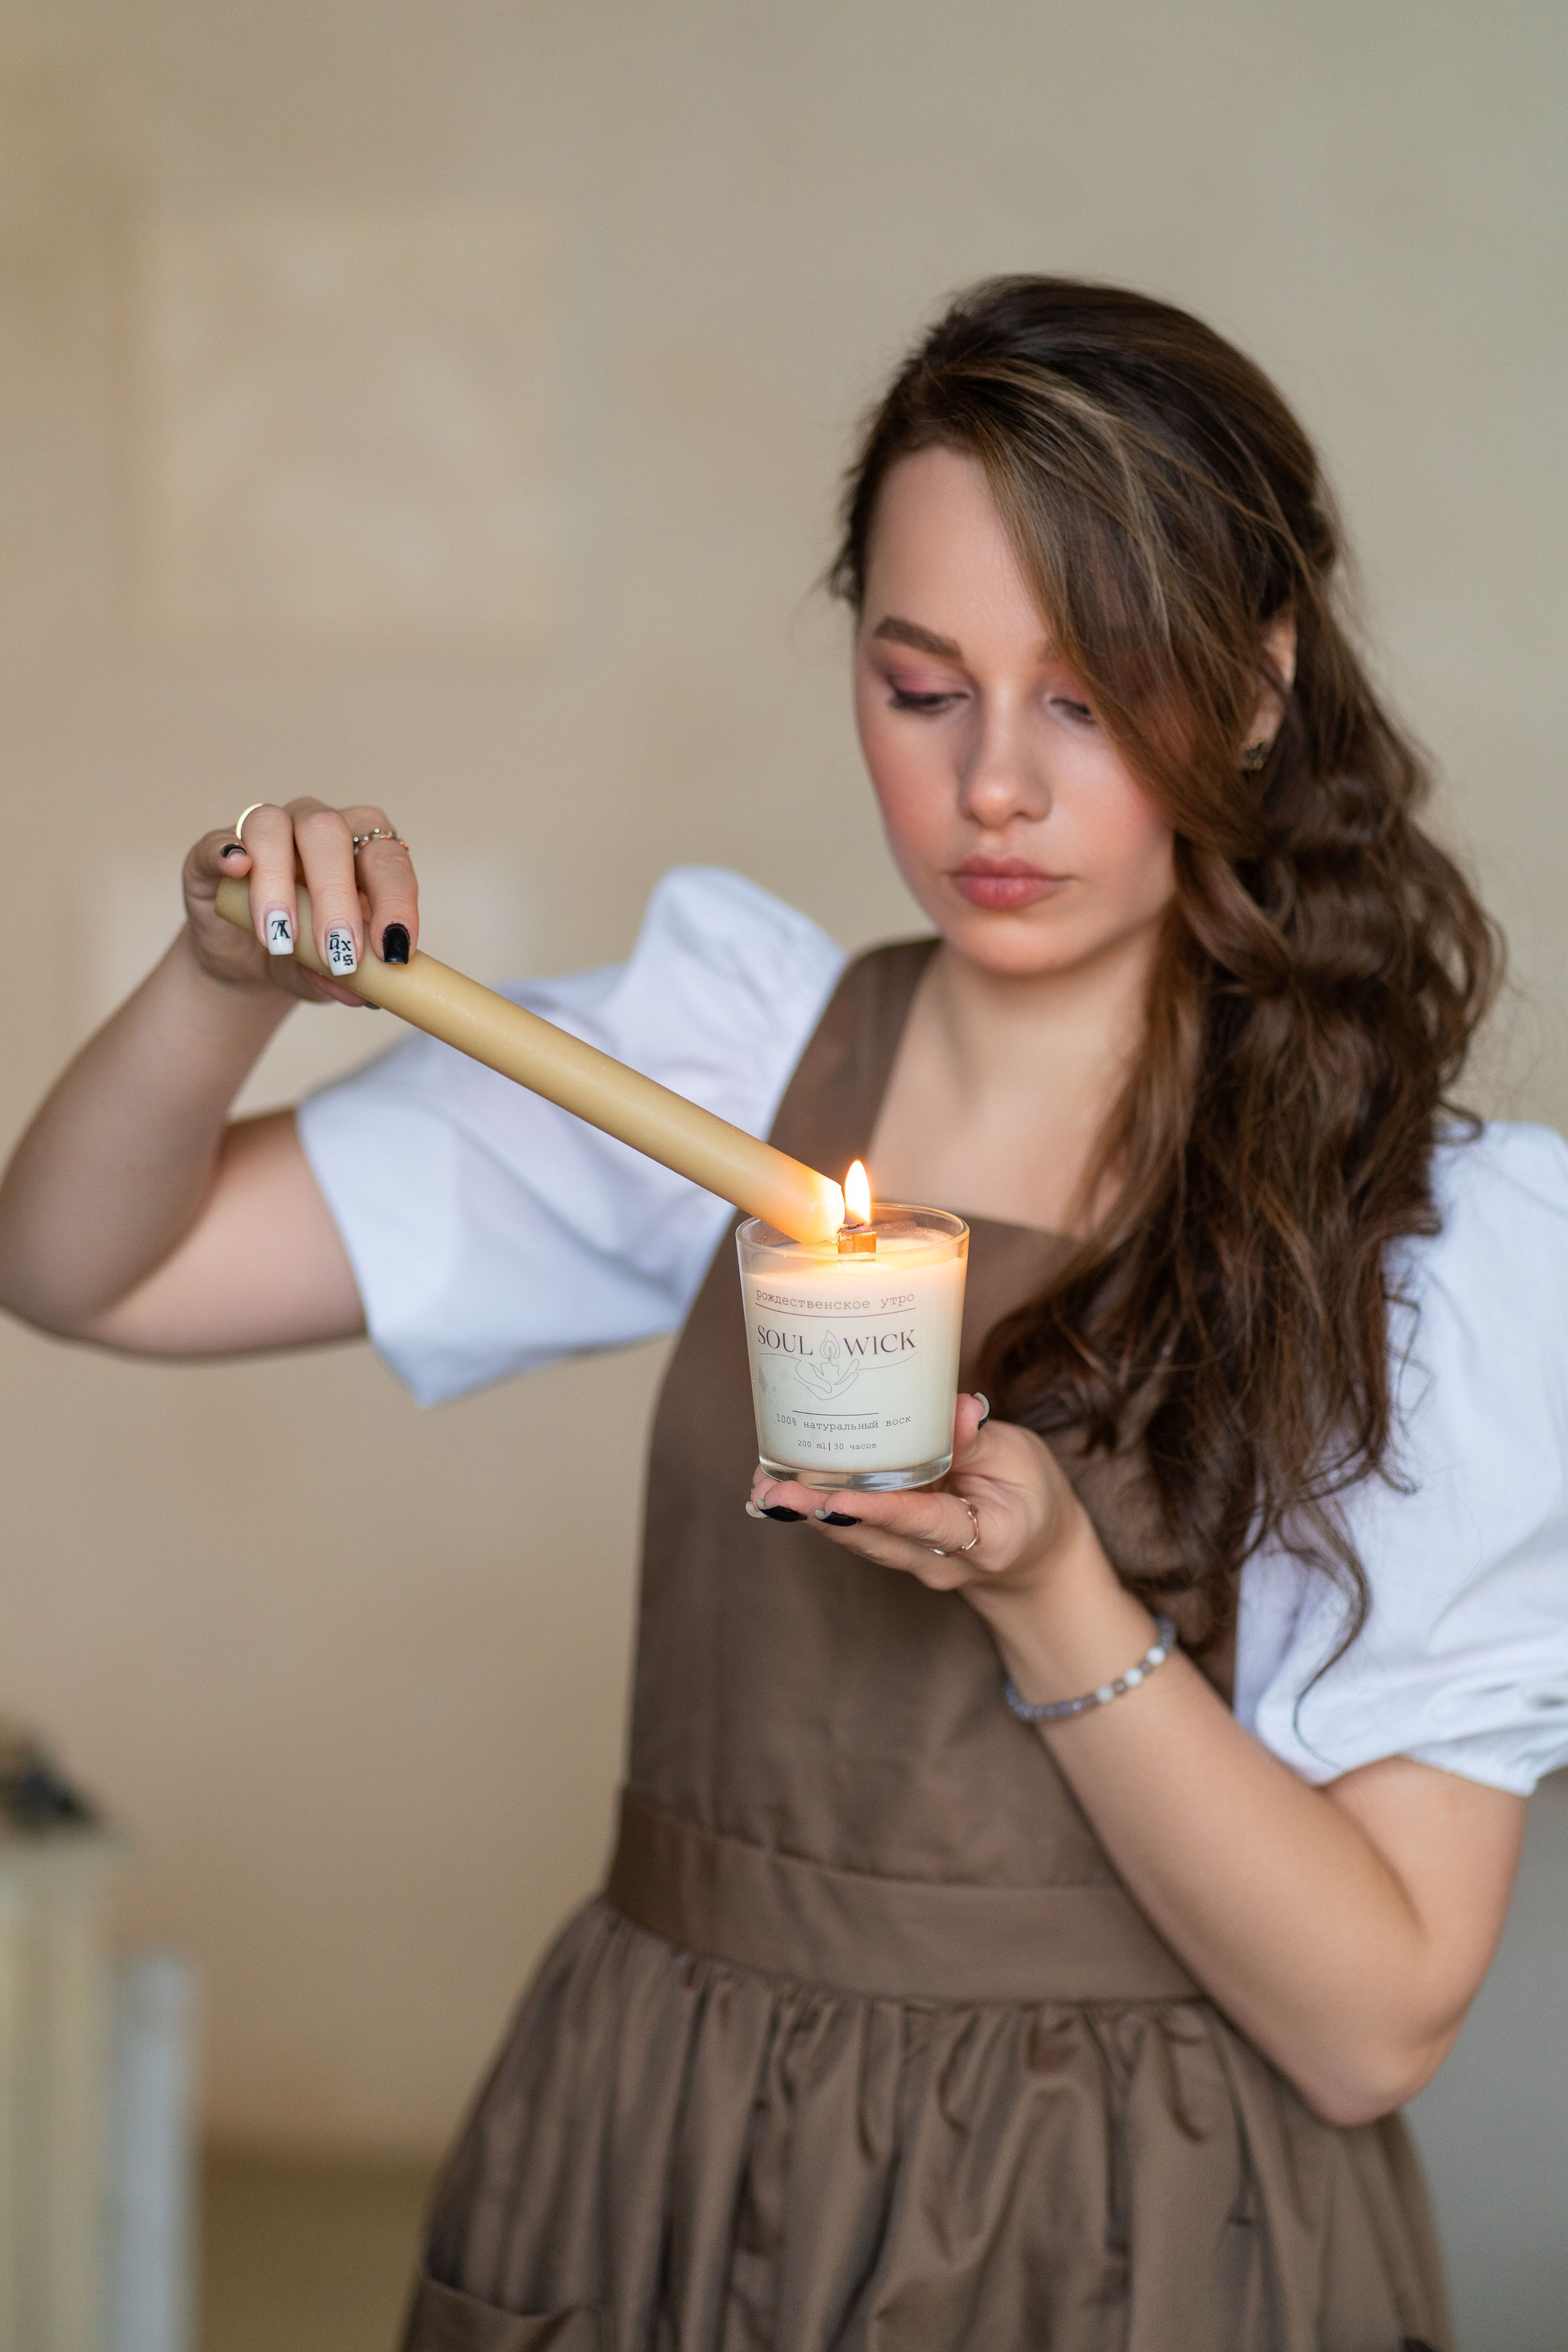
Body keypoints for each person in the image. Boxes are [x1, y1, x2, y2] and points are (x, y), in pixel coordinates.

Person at [1, 276, 1561, 2351]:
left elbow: (1376, 2024)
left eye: (1089, 698)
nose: (995, 787)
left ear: (1259, 688)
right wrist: (220, 979)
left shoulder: (1432, 1249)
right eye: (925, 691)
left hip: (1129, 2227)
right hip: (656, 2152)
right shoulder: (727, 1061)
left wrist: (1055, 1604)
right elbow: (88, 1266)